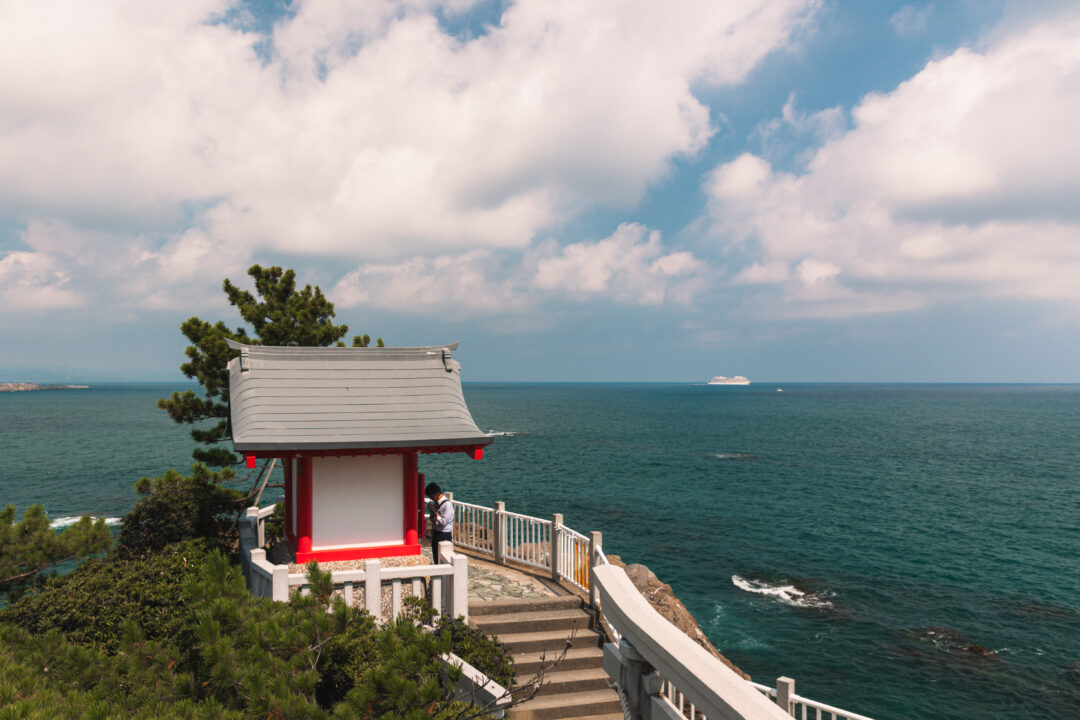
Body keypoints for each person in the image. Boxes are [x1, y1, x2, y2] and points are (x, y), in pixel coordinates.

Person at [425, 482, 454, 562]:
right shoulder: (437, 504)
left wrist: (434, 512)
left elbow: (443, 522)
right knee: (436, 558)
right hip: (436, 533)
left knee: (444, 559)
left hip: (444, 535)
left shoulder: (447, 505)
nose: (431, 499)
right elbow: (433, 519)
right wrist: (432, 512)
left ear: (437, 494)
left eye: (432, 497)